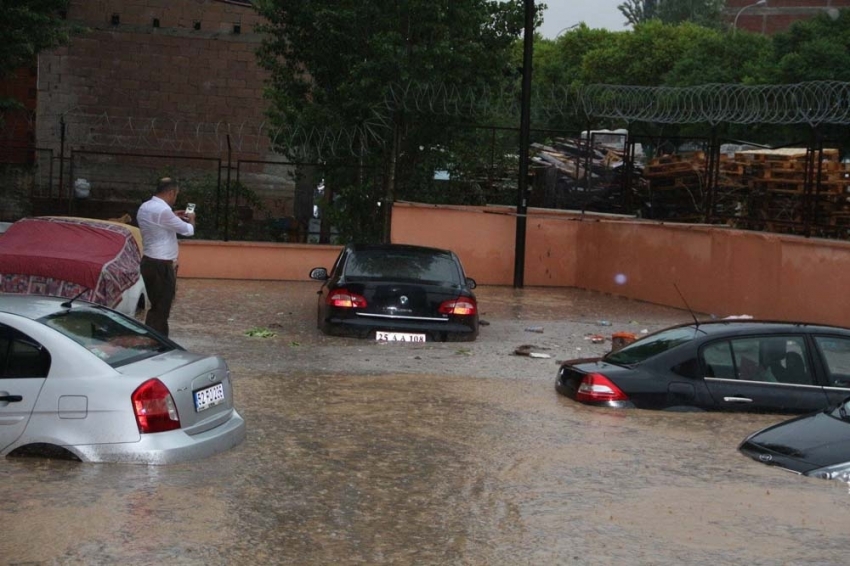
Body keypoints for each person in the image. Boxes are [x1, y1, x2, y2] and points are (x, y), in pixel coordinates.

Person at [137, 177, 195, 336]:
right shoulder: (163, 211)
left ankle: (154, 339)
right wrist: (192, 219)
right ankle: (156, 342)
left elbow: (158, 223)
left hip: (149, 261)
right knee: (162, 308)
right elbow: (187, 230)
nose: (175, 198)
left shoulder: (145, 207)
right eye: (176, 195)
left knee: (157, 306)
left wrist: (173, 215)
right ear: (171, 193)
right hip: (161, 265)